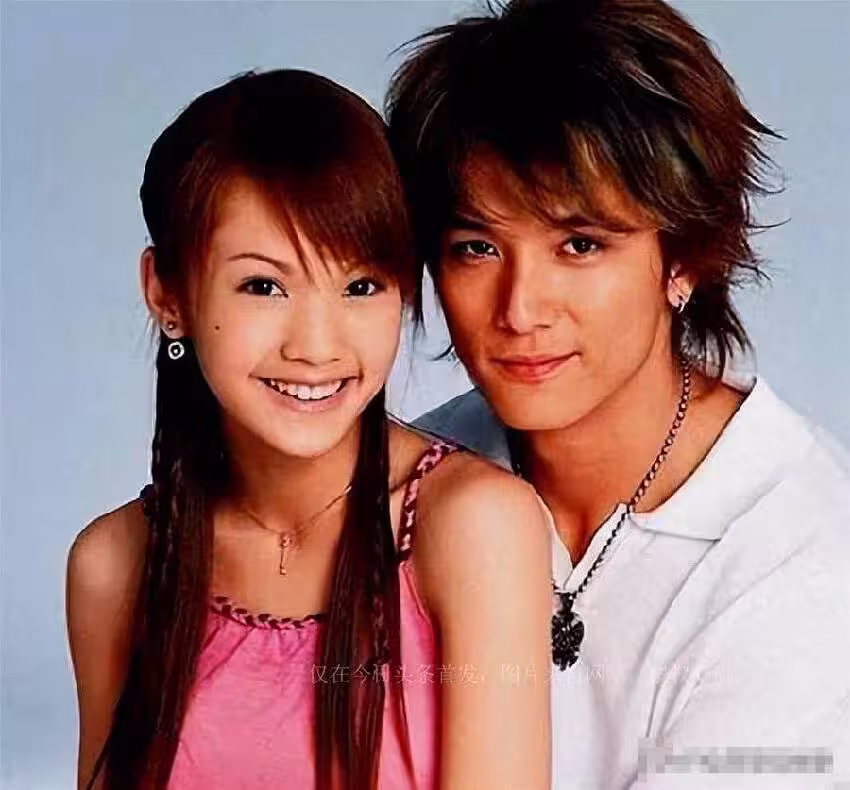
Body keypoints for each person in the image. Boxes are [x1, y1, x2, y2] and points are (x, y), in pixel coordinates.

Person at [386, 0, 850, 786]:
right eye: (476, 247)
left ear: (685, 258)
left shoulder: (802, 554)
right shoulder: (409, 482)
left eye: (579, 245)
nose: (520, 309)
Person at [65, 69, 552, 790]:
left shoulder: (474, 527)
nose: (317, 346)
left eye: (361, 286)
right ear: (167, 294)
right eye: (264, 286)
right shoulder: (115, 565)